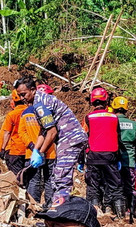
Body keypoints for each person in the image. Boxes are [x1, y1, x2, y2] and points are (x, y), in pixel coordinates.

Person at [16, 76, 88, 204]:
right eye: (19, 95)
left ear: (33, 90)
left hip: (69, 139)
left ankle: (59, 215)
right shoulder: (39, 102)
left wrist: (41, 153)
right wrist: (36, 150)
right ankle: (56, 211)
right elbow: (43, 131)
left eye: (23, 94)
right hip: (70, 139)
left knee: (61, 178)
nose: (22, 98)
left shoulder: (40, 104)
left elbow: (52, 132)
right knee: (57, 176)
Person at [83, 88, 124, 216]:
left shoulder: (88, 117)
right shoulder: (114, 117)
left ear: (92, 102)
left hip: (93, 156)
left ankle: (95, 214)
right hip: (110, 156)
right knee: (115, 185)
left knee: (93, 186)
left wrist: (80, 159)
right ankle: (120, 215)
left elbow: (83, 138)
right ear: (106, 101)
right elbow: (118, 137)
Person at [19, 96, 57, 207]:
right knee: (49, 180)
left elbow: (21, 132)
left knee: (33, 180)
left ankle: (33, 207)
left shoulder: (25, 113)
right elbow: (51, 132)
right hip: (49, 152)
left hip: (33, 154)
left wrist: (32, 146)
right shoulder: (48, 111)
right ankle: (50, 206)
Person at [112, 96, 136, 220]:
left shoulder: (112, 122)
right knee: (131, 187)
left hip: (114, 161)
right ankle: (132, 212)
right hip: (130, 161)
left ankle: (118, 212)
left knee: (116, 186)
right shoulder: (134, 125)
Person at [0, 91, 28, 175]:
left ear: (13, 102)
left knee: (17, 177)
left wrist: (1, 149)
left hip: (15, 151)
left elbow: (6, 133)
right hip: (30, 149)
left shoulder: (12, 115)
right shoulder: (31, 112)